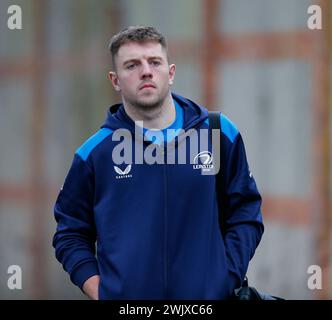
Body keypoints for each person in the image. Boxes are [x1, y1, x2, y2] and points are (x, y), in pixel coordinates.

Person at [52, 25, 264, 300]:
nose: (146, 71)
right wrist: (102, 292)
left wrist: (225, 277)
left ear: (171, 72)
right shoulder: (95, 154)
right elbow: (70, 234)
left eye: (154, 62)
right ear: (115, 80)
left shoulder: (217, 133)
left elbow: (245, 212)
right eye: (132, 65)